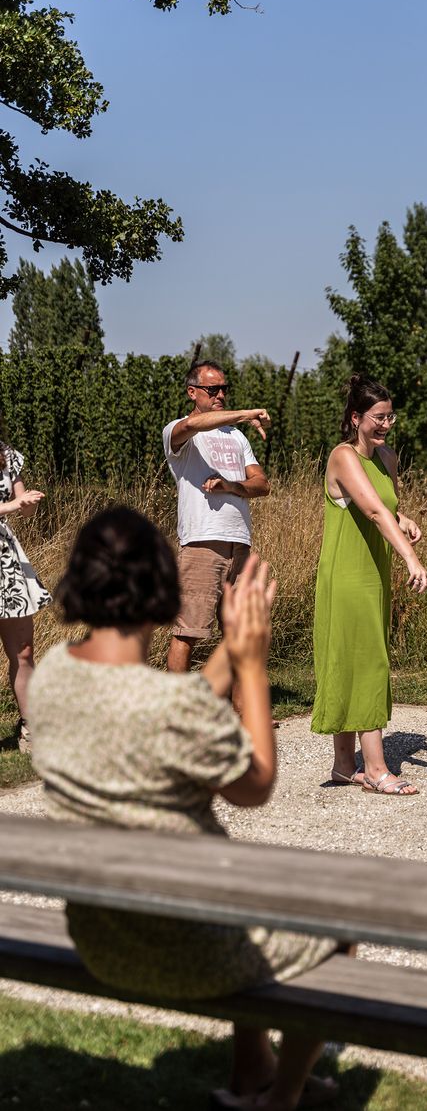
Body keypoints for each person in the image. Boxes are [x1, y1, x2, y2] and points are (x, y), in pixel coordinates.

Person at [29, 507, 340, 1111]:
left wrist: (231, 639)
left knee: (244, 898)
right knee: (337, 938)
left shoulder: (50, 677)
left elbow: (173, 704)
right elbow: (258, 785)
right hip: (187, 948)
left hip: (101, 937)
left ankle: (252, 1071)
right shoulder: (169, 707)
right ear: (161, 588)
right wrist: (251, 664)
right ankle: (281, 1099)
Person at [312, 374, 427, 797]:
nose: (385, 425)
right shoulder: (343, 457)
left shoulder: (388, 458)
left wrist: (406, 519)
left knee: (356, 657)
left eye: (390, 417)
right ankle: (377, 769)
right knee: (366, 662)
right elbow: (375, 513)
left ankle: (345, 766)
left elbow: (388, 509)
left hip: (373, 572)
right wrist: (411, 558)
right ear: (355, 417)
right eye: (377, 418)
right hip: (346, 574)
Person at [164, 362, 271, 677]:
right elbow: (196, 426)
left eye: (225, 388)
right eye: (213, 389)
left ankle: (242, 713)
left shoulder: (236, 437)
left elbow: (262, 484)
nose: (221, 394)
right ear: (192, 392)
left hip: (239, 543)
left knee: (238, 631)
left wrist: (231, 486)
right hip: (201, 543)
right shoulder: (177, 430)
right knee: (189, 630)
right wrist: (244, 413)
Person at [0, 422, 51, 748]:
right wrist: (12, 506)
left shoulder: (8, 456)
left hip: (5, 560)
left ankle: (29, 727)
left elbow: (24, 511)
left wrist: (28, 503)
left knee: (23, 650)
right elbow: (11, 506)